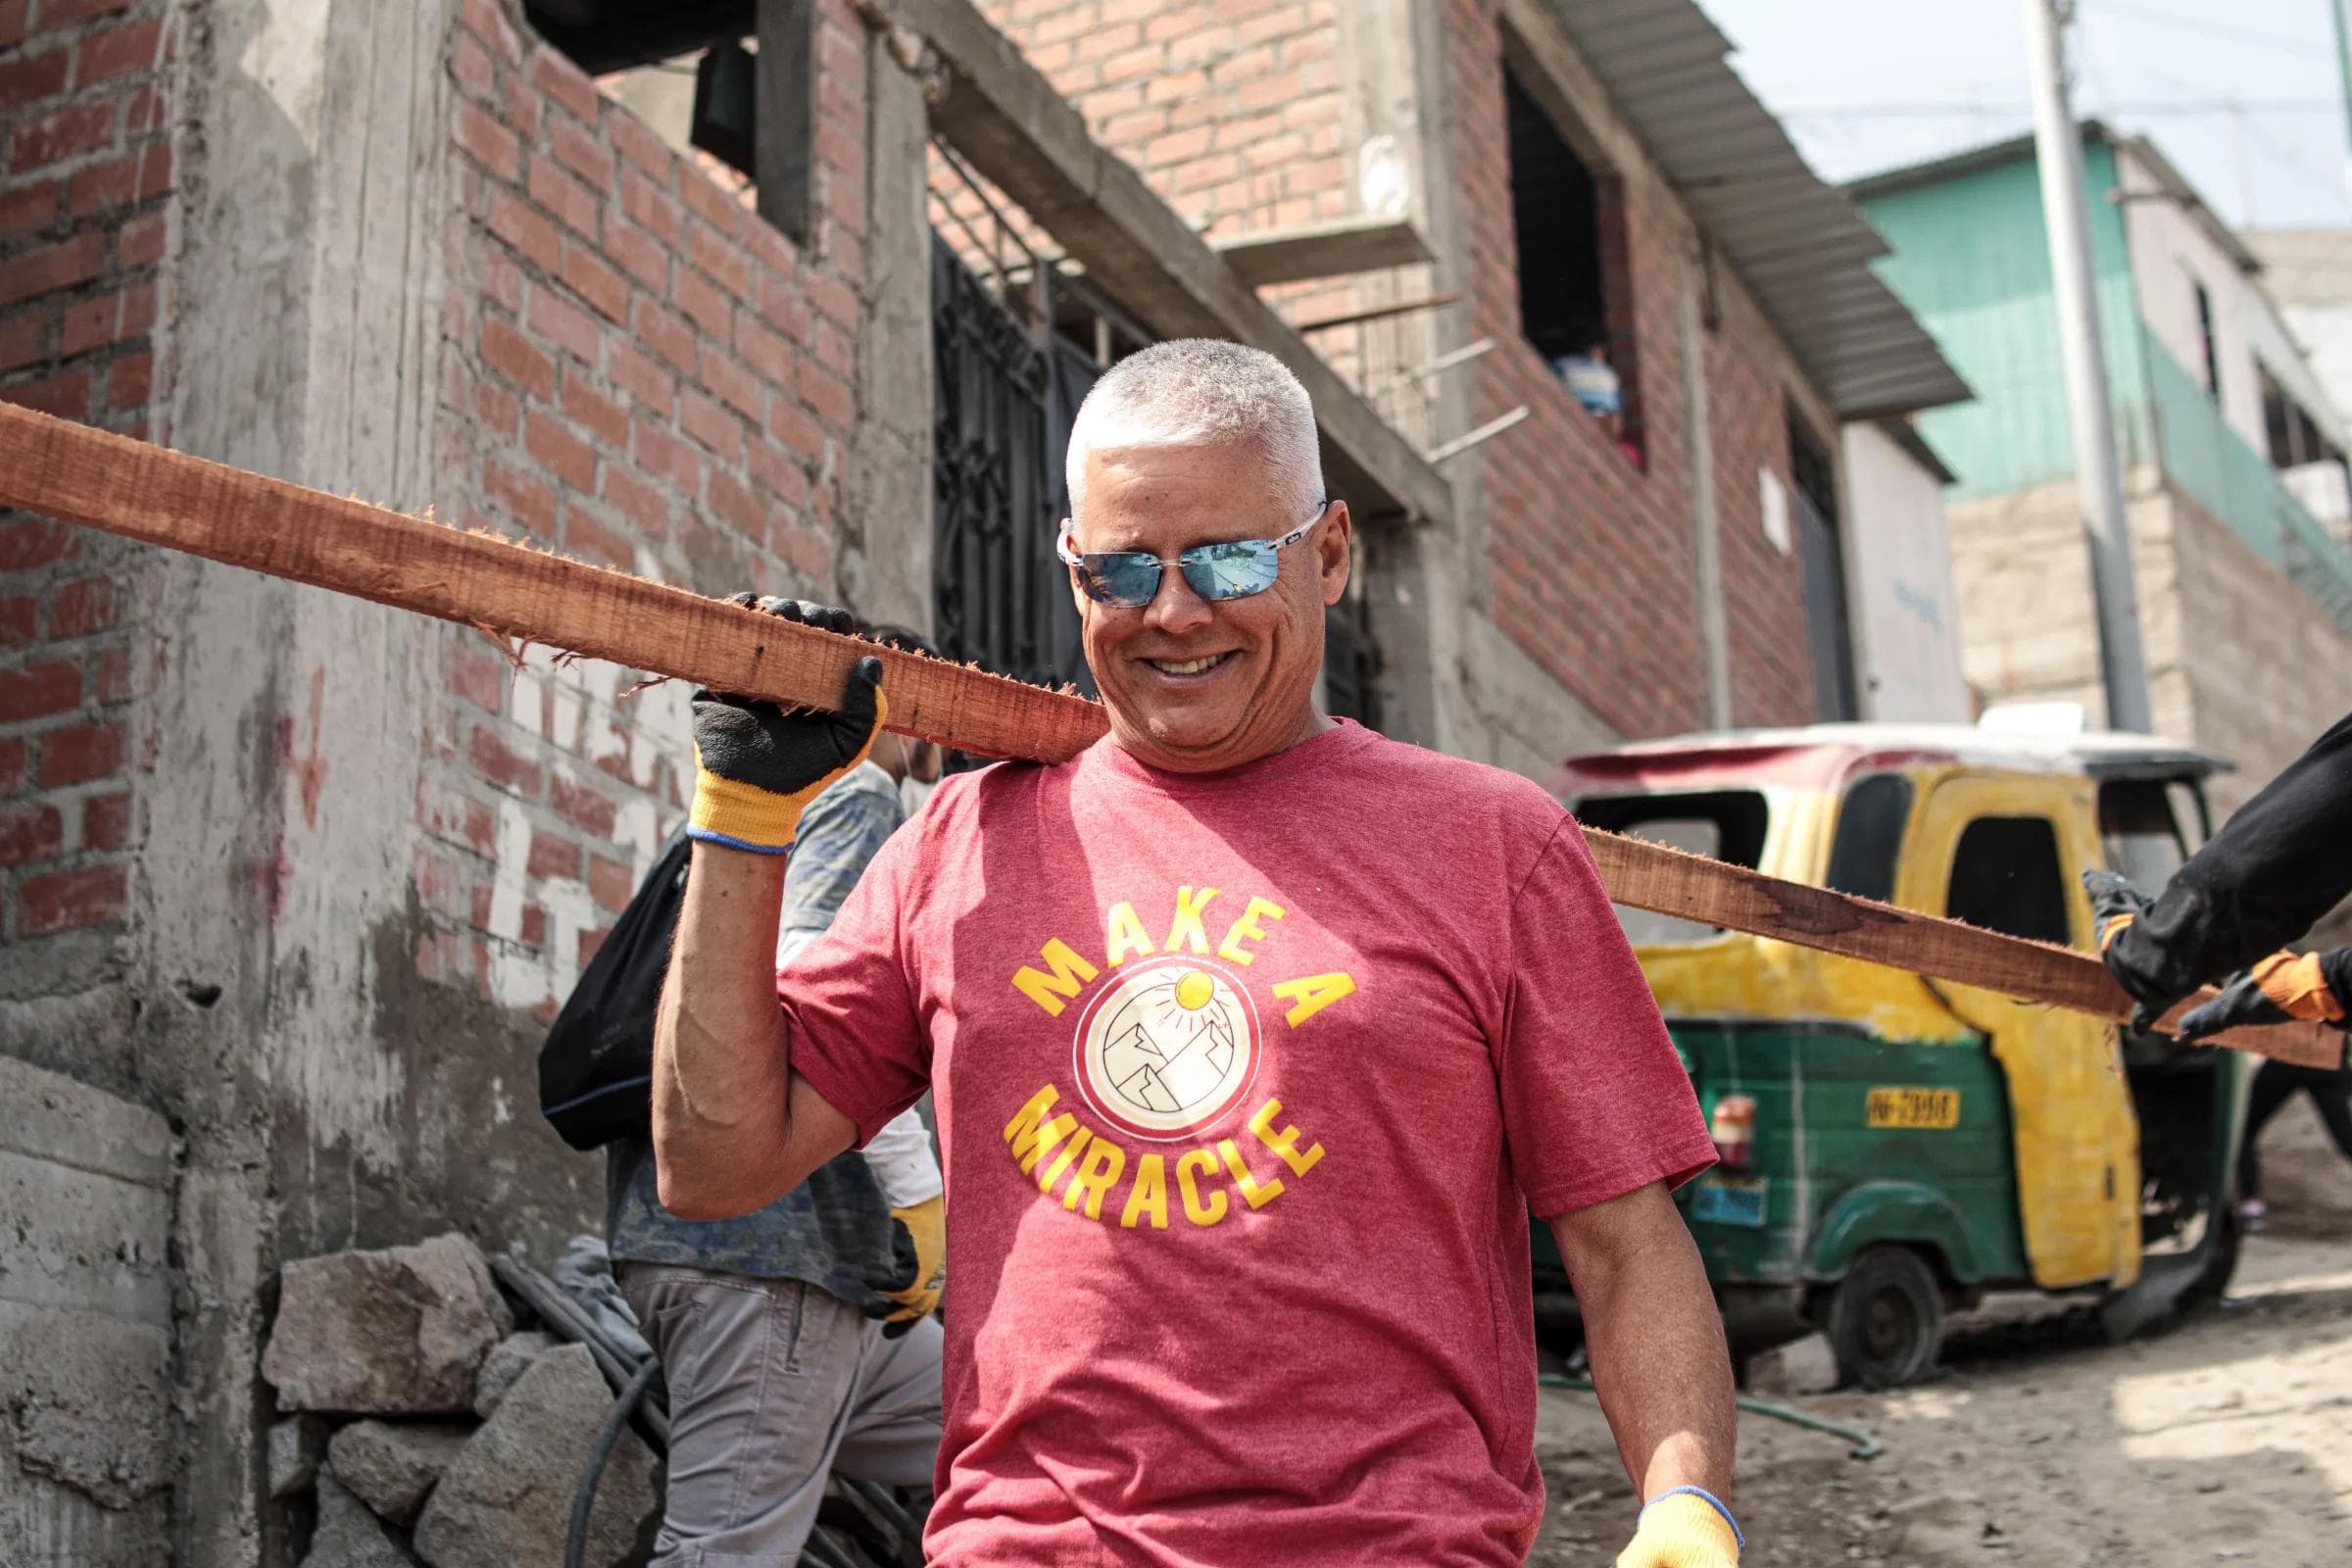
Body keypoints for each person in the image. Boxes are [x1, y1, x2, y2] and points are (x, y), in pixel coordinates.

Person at [655, 340, 1740, 1567]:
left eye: (1227, 559)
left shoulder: (1493, 845)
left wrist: (1685, 1500)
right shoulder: (966, 841)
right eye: (1123, 569)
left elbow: (1626, 1242)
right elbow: (717, 1163)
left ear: (1328, 554)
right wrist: (742, 820)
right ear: (1075, 572)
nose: (1173, 611)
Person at [606, 620, 949, 1567]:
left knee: (1004, 1414)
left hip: (739, 1254)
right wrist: (918, 1193)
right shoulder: (859, 787)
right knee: (726, 1553)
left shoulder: (748, 814)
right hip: (770, 1259)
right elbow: (808, 977)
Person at [2087, 710, 2352, 1228]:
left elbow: (2308, 829)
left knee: (2253, 1123)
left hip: (2310, 1039)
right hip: (2314, 1034)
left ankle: (2248, 1203)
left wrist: (2158, 949)